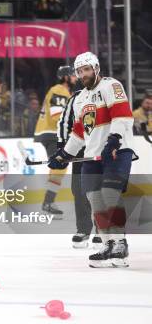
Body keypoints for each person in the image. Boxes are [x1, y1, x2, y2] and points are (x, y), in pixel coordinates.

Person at [49, 51, 135, 267]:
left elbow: (122, 115)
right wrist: (64, 154)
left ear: (96, 68)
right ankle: (107, 244)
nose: (83, 74)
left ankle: (120, 243)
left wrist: (114, 140)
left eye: (86, 69)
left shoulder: (110, 85)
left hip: (116, 151)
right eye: (79, 71)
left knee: (109, 193)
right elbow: (79, 133)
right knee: (94, 199)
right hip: (92, 156)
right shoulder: (80, 99)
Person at [56, 69, 101, 248]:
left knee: (97, 190)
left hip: (99, 149)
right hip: (79, 150)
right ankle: (83, 229)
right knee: (79, 189)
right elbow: (64, 122)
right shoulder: (76, 97)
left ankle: (101, 230)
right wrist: (62, 147)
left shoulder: (104, 96)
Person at [34, 66, 77, 218]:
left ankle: (48, 201)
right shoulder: (59, 90)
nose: (76, 78)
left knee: (60, 167)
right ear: (65, 77)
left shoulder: (65, 92)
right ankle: (48, 202)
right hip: (51, 133)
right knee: (59, 166)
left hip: (52, 133)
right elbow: (56, 115)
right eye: (73, 75)